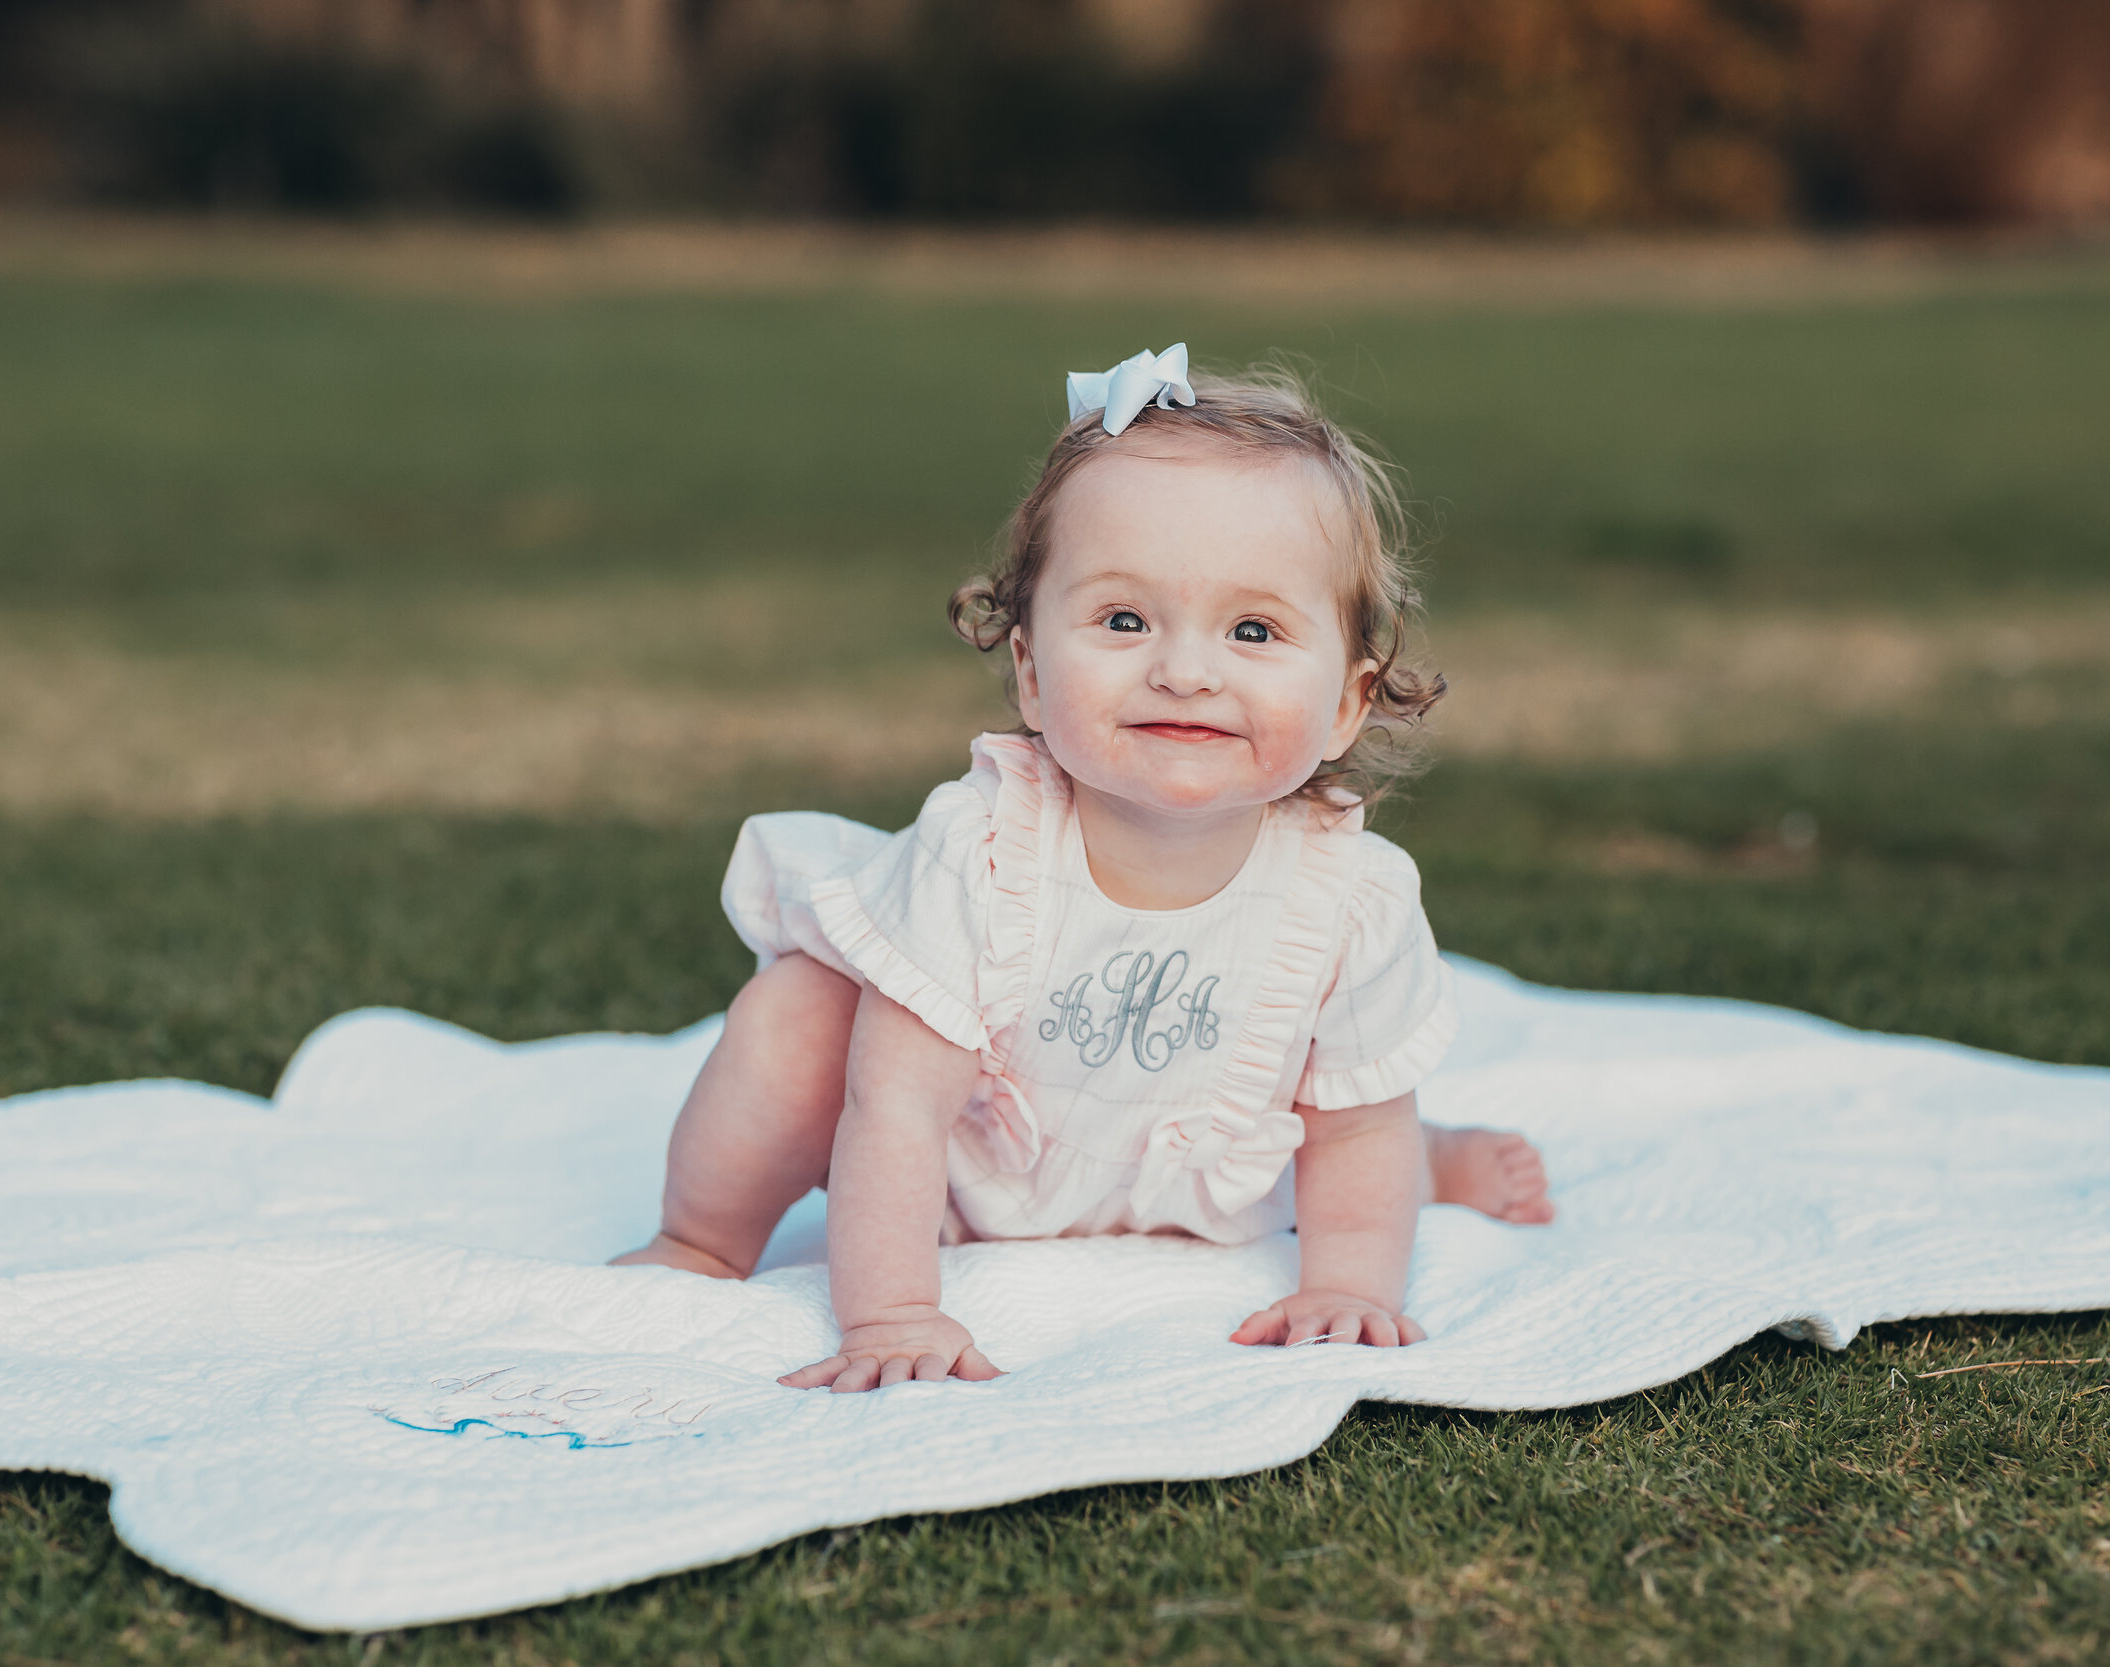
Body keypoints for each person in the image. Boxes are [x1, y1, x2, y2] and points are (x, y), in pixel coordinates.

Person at [613, 346, 1553, 1392]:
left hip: (1213, 1174)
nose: (1185, 670)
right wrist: (893, 1314)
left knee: (1362, 1134)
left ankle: (1443, 1161)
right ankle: (699, 1240)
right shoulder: (975, 849)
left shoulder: (1353, 899)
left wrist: (1347, 1282)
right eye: (1122, 620)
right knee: (795, 1015)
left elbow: (1357, 1120)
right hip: (976, 1174)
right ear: (1026, 667)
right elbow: (897, 1105)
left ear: (1345, 702)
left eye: (1252, 629)